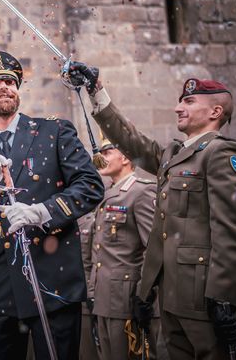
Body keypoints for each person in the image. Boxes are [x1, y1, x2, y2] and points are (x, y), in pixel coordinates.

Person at [68, 63, 236, 359]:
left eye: (189, 101)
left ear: (215, 112)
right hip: (172, 299)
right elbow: (129, 140)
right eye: (181, 101)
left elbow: (234, 229)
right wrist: (96, 91)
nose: (178, 107)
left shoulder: (221, 154)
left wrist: (223, 297)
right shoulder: (173, 156)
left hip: (205, 300)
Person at [0, 51, 105, 360]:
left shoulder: (54, 132)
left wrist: (42, 212)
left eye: (10, 81)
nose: (4, 87)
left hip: (54, 278)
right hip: (2, 287)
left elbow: (91, 186)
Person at [88, 135, 159, 359]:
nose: (101, 158)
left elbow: (153, 249)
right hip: (103, 298)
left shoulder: (141, 192)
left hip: (126, 299)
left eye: (108, 153)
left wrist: (143, 295)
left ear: (126, 157)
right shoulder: (107, 194)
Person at [77, 211, 100, 360]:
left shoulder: (92, 220)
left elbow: (96, 262)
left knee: (87, 352)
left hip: (85, 298)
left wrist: (91, 295)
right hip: (59, 297)